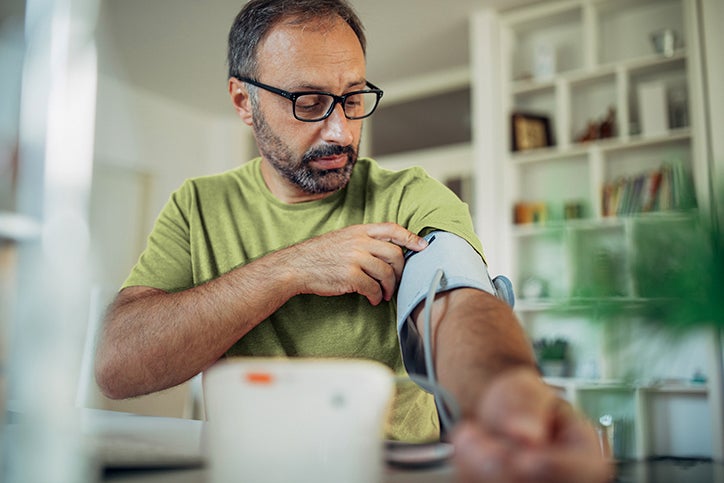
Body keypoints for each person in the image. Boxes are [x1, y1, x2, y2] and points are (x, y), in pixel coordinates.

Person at [94, 0, 611, 481]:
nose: (341, 130)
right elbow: (117, 365)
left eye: (354, 97)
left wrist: (506, 389)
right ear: (243, 101)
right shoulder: (199, 206)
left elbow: (456, 304)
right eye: (310, 101)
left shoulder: (411, 195)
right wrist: (292, 269)